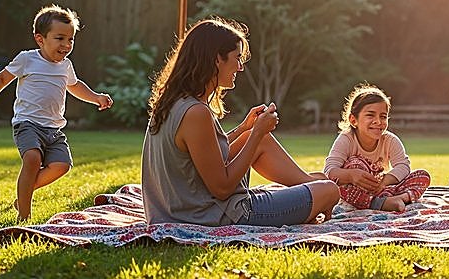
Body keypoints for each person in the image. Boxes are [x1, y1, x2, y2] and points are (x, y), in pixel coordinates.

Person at [140, 17, 339, 226]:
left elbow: (203, 154)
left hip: (182, 208)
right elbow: (222, 188)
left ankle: (308, 184)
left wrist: (245, 129)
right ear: (217, 59)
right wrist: (257, 132)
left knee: (258, 141)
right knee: (330, 191)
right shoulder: (196, 112)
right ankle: (315, 188)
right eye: (237, 58)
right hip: (211, 214)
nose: (241, 67)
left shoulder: (176, 101)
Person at [0, 4, 113, 221]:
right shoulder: (27, 59)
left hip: (53, 128)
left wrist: (96, 97)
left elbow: (75, 86)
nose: (66, 45)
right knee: (32, 158)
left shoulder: (65, 66)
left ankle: (24, 194)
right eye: (60, 38)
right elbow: (2, 78)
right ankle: (24, 215)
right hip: (27, 123)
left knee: (62, 165)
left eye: (70, 39)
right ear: (40, 39)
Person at [324, 83, 431, 211]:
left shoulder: (390, 140)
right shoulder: (346, 139)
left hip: (382, 188)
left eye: (383, 116)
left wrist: (384, 182)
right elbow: (329, 171)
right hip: (355, 191)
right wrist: (352, 175)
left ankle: (401, 198)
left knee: (423, 176)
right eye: (370, 115)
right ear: (353, 120)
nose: (378, 122)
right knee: (354, 164)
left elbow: (403, 166)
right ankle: (378, 203)